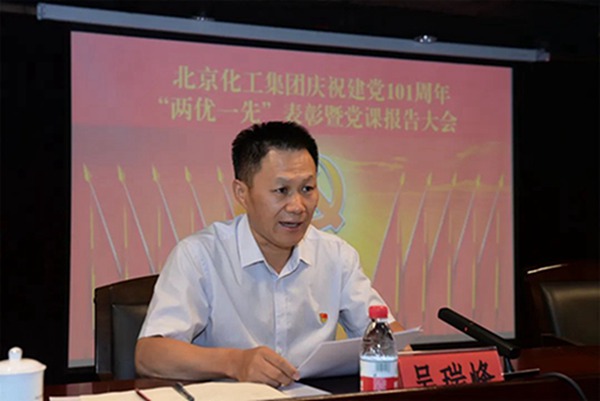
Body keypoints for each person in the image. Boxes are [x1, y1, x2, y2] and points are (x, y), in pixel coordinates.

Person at [135, 121, 406, 387]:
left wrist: (406, 353)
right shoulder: (200, 256)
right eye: (281, 191)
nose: (297, 206)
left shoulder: (336, 256)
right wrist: (235, 363)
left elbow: (387, 335)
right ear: (242, 193)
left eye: (307, 189)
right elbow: (149, 355)